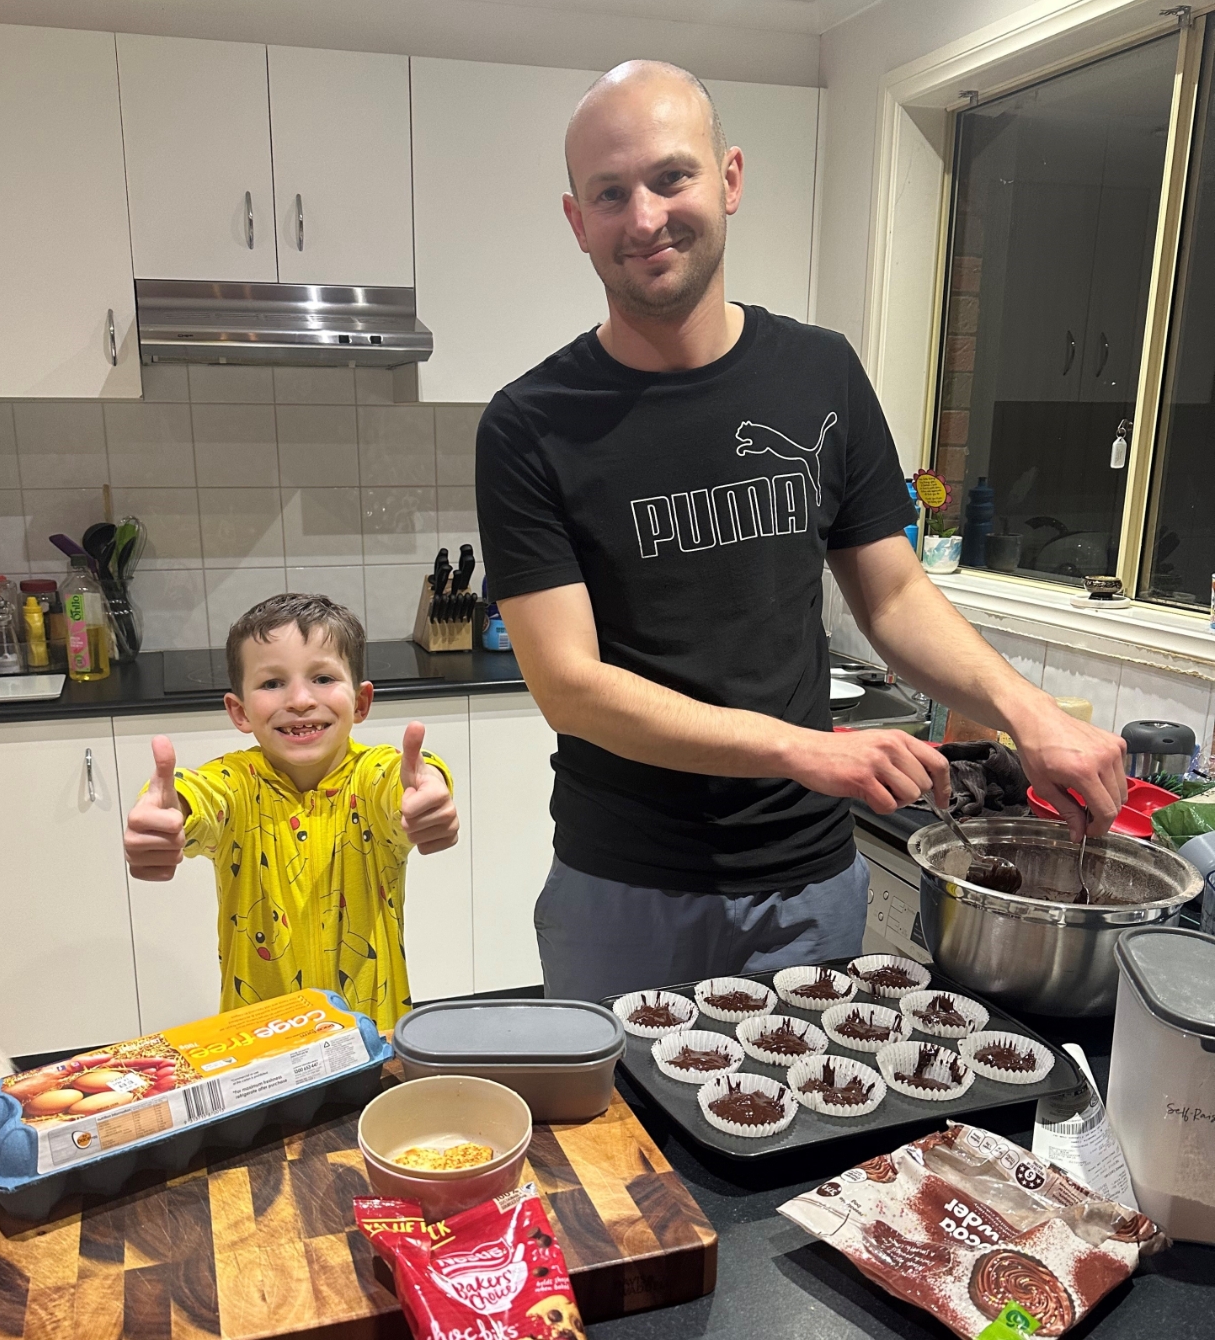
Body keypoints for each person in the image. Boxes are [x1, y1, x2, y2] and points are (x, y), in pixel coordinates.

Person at [475, 60, 1127, 1002]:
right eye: (609, 194)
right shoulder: (530, 422)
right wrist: (805, 747)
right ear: (577, 221)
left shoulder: (819, 373)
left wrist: (1029, 715)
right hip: (621, 887)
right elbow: (571, 687)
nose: (645, 217)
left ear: (729, 178)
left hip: (805, 885)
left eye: (671, 177)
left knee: (803, 1145)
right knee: (615, 1148)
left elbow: (894, 592)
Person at [123, 593, 459, 1028]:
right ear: (239, 711)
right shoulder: (236, 785)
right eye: (272, 683)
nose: (300, 699)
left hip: (372, 1033)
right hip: (260, 1047)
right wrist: (168, 811)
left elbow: (399, 779)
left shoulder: (369, 776)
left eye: (322, 678)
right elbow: (199, 795)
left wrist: (430, 788)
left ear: (360, 703)